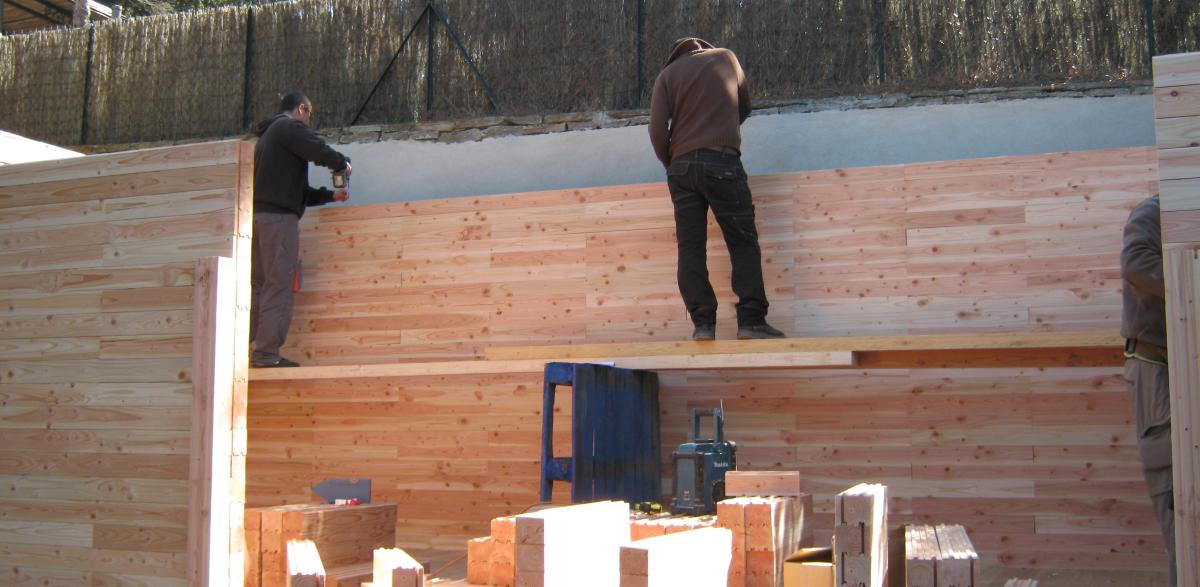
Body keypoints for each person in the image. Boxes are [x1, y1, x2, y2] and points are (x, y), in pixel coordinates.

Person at [648, 37, 784, 341]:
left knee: (691, 247)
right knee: (742, 242)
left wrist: (672, 161)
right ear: (704, 47)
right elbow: (743, 107)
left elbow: (656, 131)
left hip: (681, 168)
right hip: (722, 160)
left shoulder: (667, 75)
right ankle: (751, 321)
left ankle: (703, 325)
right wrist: (720, 126)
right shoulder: (726, 58)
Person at [250, 91, 351, 368]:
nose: (308, 123)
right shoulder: (287, 127)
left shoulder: (268, 139)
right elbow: (317, 149)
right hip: (278, 222)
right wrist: (341, 163)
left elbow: (299, 192)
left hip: (259, 219)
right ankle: (266, 356)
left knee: (260, 286)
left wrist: (330, 196)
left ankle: (245, 349)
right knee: (280, 285)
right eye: (309, 116)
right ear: (302, 109)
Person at [1120, 193, 1176, 586]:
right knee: (1175, 494)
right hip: (1157, 369)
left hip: (1182, 366)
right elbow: (1136, 263)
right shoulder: (1155, 211)